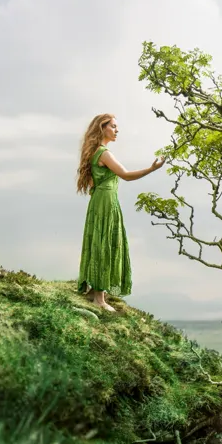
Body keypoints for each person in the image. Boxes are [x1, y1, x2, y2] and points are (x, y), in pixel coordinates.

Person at [74, 113, 165, 312]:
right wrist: (152, 169)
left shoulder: (95, 152)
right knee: (106, 242)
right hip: (106, 201)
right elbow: (125, 175)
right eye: (113, 126)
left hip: (100, 200)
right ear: (102, 128)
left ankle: (94, 291)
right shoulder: (104, 153)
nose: (117, 130)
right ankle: (99, 298)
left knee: (99, 241)